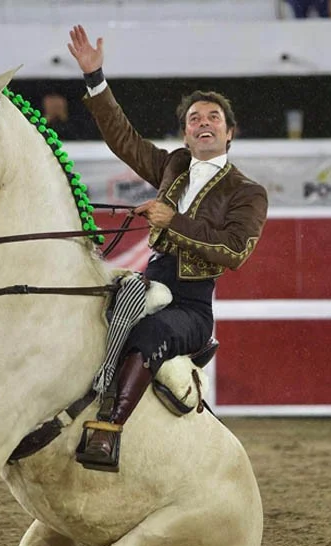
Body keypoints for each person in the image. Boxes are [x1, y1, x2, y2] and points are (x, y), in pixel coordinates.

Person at [67, 25, 268, 470]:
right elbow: (123, 139)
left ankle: (108, 430)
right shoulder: (173, 165)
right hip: (150, 284)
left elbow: (235, 251)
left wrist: (170, 221)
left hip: (191, 307)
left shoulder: (247, 192)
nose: (203, 123)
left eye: (213, 117)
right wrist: (95, 78)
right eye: (195, 119)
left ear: (230, 133)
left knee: (150, 333)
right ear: (185, 133)